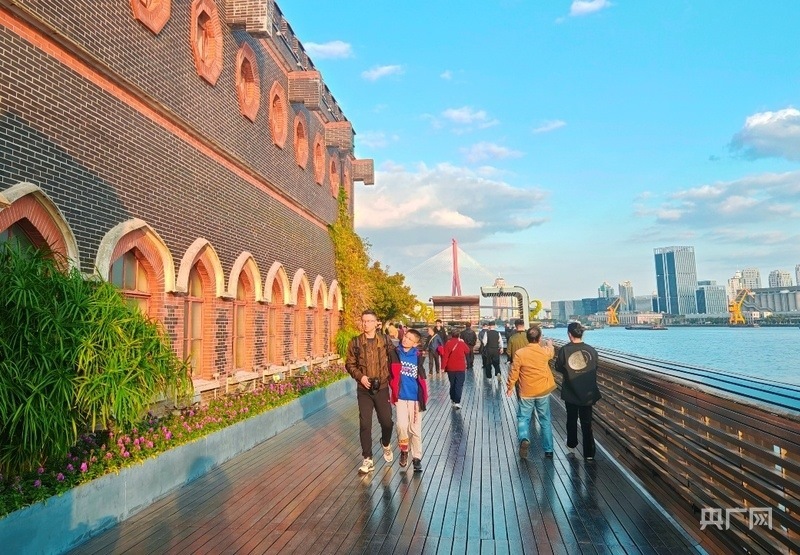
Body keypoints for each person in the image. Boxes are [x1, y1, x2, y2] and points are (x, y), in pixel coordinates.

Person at [345, 310, 395, 474]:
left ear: (376, 323)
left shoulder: (385, 340)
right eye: (363, 321)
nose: (365, 324)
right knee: (365, 424)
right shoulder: (355, 342)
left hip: (382, 387)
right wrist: (361, 377)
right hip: (364, 389)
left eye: (369, 321)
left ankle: (385, 443)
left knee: (387, 422)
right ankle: (367, 458)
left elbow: (395, 359)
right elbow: (350, 364)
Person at [506, 326, 556, 459]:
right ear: (539, 339)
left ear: (527, 338)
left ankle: (524, 438)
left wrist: (510, 387)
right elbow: (551, 353)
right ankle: (549, 450)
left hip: (526, 391)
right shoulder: (544, 351)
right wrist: (550, 344)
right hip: (543, 390)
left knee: (523, 418)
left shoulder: (520, 353)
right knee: (545, 419)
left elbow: (514, 371)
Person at [555, 322, 601, 461]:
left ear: (569, 334)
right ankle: (589, 453)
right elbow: (595, 366)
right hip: (587, 391)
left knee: (571, 419)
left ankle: (571, 444)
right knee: (587, 422)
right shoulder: (591, 350)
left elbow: (558, 367)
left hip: (571, 390)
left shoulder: (565, 350)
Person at [388, 328, 428, 471]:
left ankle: (416, 458)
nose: (406, 339)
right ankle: (404, 450)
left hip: (415, 398)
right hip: (400, 397)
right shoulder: (394, 353)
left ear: (415, 343)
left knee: (415, 429)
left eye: (410, 339)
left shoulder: (418, 356)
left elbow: (422, 377)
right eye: (406, 336)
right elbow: (389, 373)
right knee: (401, 426)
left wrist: (424, 395)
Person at [442, 329, 472, 409]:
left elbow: (445, 356)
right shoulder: (461, 343)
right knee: (459, 384)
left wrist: (443, 367)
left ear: (451, 335)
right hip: (460, 367)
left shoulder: (448, 343)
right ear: (459, 336)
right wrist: (462, 341)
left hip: (450, 368)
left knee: (452, 384)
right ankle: (457, 401)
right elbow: (468, 351)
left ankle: (452, 399)